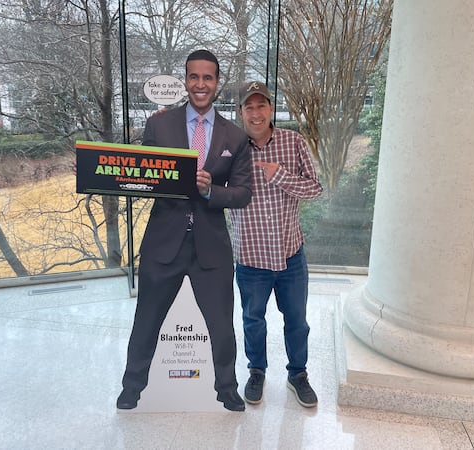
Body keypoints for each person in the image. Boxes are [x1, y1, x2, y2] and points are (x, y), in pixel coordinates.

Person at [116, 50, 251, 412]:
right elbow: (143, 180)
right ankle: (132, 387)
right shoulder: (159, 125)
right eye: (194, 77)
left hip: (212, 247)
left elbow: (242, 194)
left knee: (222, 325)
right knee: (146, 320)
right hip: (164, 242)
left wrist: (211, 191)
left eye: (208, 78)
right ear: (185, 80)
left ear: (217, 82)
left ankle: (227, 389)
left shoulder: (235, 137)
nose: (200, 84)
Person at [230, 81, 323, 408]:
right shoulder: (229, 147)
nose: (255, 113)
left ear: (271, 108)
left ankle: (298, 374)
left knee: (297, 319)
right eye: (248, 107)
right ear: (241, 112)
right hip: (250, 257)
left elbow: (315, 189)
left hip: (289, 255)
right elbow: (195, 173)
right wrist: (162, 125)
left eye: (261, 106)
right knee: (252, 320)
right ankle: (257, 371)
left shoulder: (293, 141)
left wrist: (279, 175)